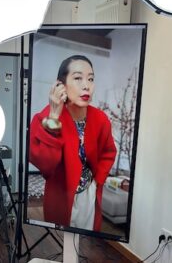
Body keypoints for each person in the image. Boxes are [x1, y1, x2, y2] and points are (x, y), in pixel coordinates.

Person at [29, 55, 116, 232]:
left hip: (89, 194)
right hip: (61, 196)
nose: (86, 85)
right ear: (60, 85)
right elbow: (46, 165)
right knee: (61, 241)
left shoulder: (100, 119)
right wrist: (54, 116)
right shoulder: (43, 118)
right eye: (78, 78)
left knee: (85, 241)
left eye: (91, 79)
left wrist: (96, 182)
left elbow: (109, 152)